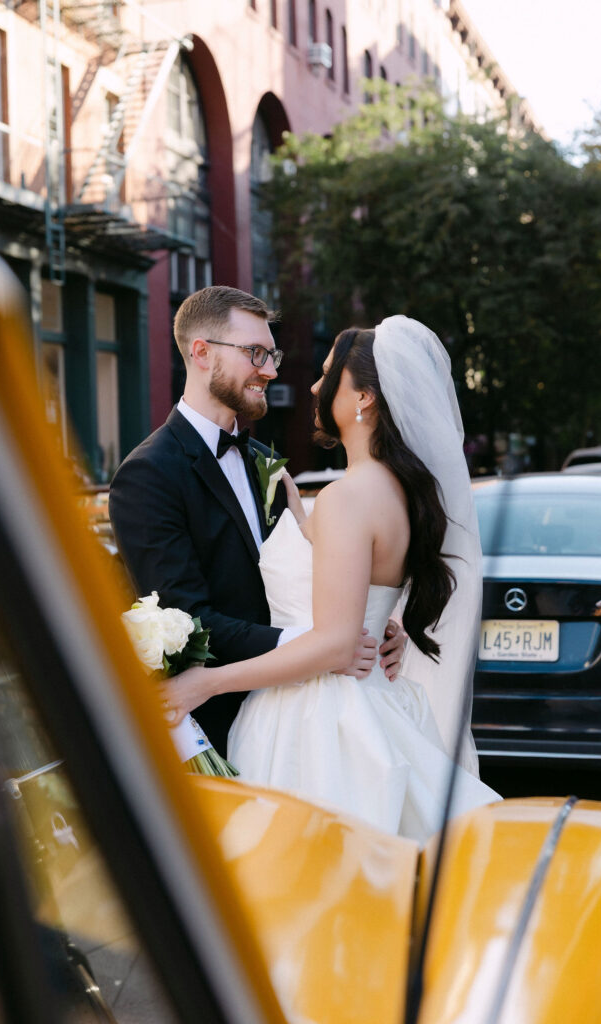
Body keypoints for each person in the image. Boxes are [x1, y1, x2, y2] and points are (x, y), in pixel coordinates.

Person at [157, 316, 500, 842]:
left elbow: (338, 643)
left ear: (363, 397)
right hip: (368, 700)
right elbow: (349, 592)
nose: (314, 386)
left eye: (326, 374)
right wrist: (300, 520)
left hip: (319, 720)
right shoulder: (395, 493)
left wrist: (207, 681)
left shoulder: (347, 498)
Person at [109, 286, 406, 755]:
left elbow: (310, 576)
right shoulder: (147, 475)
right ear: (201, 353)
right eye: (256, 354)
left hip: (307, 719)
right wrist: (325, 644)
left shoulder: (268, 464)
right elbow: (188, 618)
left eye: (272, 355)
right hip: (221, 726)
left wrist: (369, 624)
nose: (269, 371)